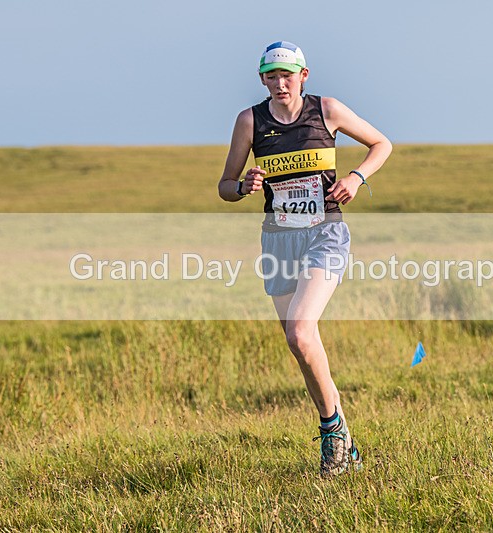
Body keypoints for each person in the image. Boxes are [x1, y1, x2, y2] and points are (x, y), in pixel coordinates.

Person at [218, 41, 392, 477]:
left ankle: (331, 434)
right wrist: (245, 185)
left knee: (299, 332)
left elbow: (381, 144)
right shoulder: (249, 121)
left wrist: (356, 177)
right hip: (278, 240)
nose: (279, 83)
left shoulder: (327, 110)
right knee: (302, 348)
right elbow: (224, 184)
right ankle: (343, 439)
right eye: (271, 76)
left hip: (325, 233)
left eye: (287, 74)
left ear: (304, 75)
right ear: (262, 79)